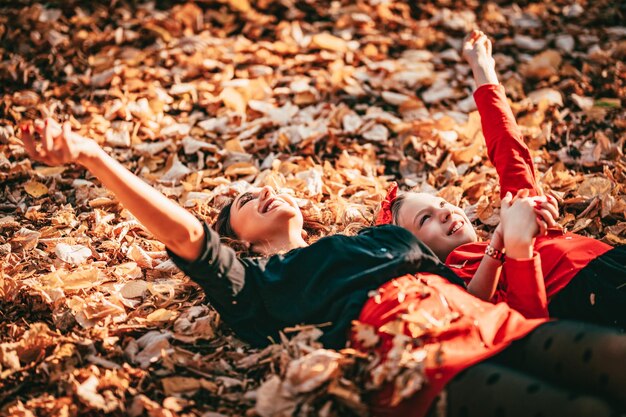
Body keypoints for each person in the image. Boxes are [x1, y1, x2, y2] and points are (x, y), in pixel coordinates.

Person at [17, 59, 626, 417]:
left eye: (260, 186)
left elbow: (478, 287)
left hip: (490, 323)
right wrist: (94, 156)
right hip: (417, 357)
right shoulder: (259, 285)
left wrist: (503, 246)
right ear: (243, 244)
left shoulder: (378, 237)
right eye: (240, 206)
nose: (258, 193)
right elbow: (189, 236)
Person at [377, 30, 626, 331]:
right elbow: (526, 325)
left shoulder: (512, 214)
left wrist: (483, 70)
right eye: (425, 218)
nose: (445, 211)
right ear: (415, 249)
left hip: (612, 261)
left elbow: (510, 152)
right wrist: (512, 246)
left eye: (442, 203)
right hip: (589, 300)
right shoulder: (456, 285)